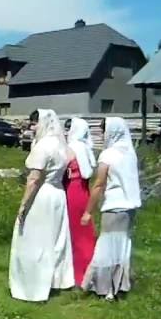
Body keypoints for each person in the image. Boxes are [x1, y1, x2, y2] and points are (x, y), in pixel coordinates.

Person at [9, 109, 75, 301]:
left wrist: (23, 206)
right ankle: (54, 281)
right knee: (55, 239)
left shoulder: (43, 146)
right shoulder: (62, 146)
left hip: (43, 195)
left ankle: (32, 286)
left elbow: (34, 180)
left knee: (34, 239)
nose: (32, 127)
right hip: (58, 194)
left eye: (35, 123)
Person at [81, 117, 142, 299]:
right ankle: (119, 285)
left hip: (114, 205)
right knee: (121, 246)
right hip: (129, 207)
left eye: (103, 130)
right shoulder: (130, 153)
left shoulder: (108, 155)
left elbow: (99, 184)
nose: (101, 134)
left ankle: (104, 288)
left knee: (106, 247)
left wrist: (87, 211)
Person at [65, 117, 98, 287]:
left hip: (72, 189)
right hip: (84, 190)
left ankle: (78, 274)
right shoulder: (86, 148)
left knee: (74, 232)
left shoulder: (72, 148)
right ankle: (90, 270)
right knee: (85, 231)